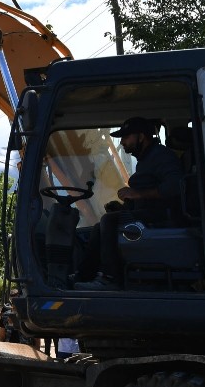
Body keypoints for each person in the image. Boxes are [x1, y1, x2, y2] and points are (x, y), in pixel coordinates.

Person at [74, 116, 184, 290]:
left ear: (141, 137)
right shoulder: (145, 159)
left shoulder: (161, 156)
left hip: (163, 215)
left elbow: (175, 186)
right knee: (99, 226)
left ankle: (110, 278)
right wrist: (125, 207)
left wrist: (138, 194)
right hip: (147, 212)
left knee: (108, 222)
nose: (122, 141)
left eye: (126, 137)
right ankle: (85, 275)